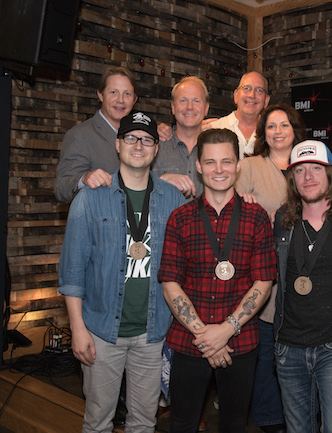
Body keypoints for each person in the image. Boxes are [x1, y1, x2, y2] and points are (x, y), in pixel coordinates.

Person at [58, 111, 185, 433]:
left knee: (143, 422)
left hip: (154, 332)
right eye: (131, 138)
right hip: (101, 332)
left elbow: (182, 265)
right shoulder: (89, 198)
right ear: (118, 144)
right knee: (98, 421)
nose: (138, 145)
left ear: (156, 148)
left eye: (146, 140)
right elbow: (72, 271)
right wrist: (78, 329)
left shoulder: (173, 200)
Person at [157, 128, 277, 433]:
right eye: (210, 162)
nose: (219, 170)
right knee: (182, 423)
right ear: (198, 166)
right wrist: (206, 335)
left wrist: (225, 330)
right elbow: (170, 282)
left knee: (234, 425)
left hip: (241, 340)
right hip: (189, 341)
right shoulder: (180, 218)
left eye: (226, 162)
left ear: (238, 165)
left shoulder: (257, 217)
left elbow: (263, 282)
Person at [273, 140, 332, 433]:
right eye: (300, 170)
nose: (308, 177)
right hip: (288, 346)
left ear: (330, 174)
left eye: (316, 168)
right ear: (292, 179)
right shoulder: (282, 221)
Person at [235, 103, 306, 433]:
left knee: (297, 354)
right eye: (272, 126)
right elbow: (231, 207)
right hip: (262, 272)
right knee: (265, 355)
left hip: (305, 271)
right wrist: (243, 202)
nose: (278, 131)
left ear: (295, 129)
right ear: (263, 133)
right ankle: (268, 419)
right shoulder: (250, 166)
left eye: (285, 125)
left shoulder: (309, 165)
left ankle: (302, 415)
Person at [56, 66, 138, 203]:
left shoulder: (140, 137)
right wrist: (84, 179)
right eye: (113, 92)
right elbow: (61, 189)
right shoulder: (80, 135)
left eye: (127, 94)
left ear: (134, 100)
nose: (121, 100)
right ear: (100, 95)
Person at [152, 76, 209, 200]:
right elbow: (137, 187)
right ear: (173, 107)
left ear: (206, 108)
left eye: (196, 101)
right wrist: (160, 182)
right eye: (183, 100)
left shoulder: (214, 150)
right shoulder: (155, 146)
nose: (189, 107)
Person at [210, 71, 270, 157]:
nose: (252, 95)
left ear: (266, 100)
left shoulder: (272, 134)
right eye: (246, 88)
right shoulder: (214, 129)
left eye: (259, 90)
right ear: (236, 95)